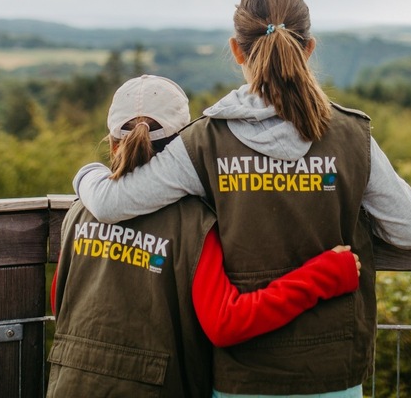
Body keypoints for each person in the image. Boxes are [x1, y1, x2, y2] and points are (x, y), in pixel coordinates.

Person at [74, 0, 411, 398]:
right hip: (334, 365)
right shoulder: (352, 136)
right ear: (309, 48)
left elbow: (108, 203)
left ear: (237, 50)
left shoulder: (206, 143)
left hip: (243, 371)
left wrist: (86, 173)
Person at [48, 74, 362, 398]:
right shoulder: (194, 222)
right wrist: (324, 275)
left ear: (113, 143)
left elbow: (61, 301)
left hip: (69, 384)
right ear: (182, 143)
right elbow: (225, 322)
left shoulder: (81, 212)